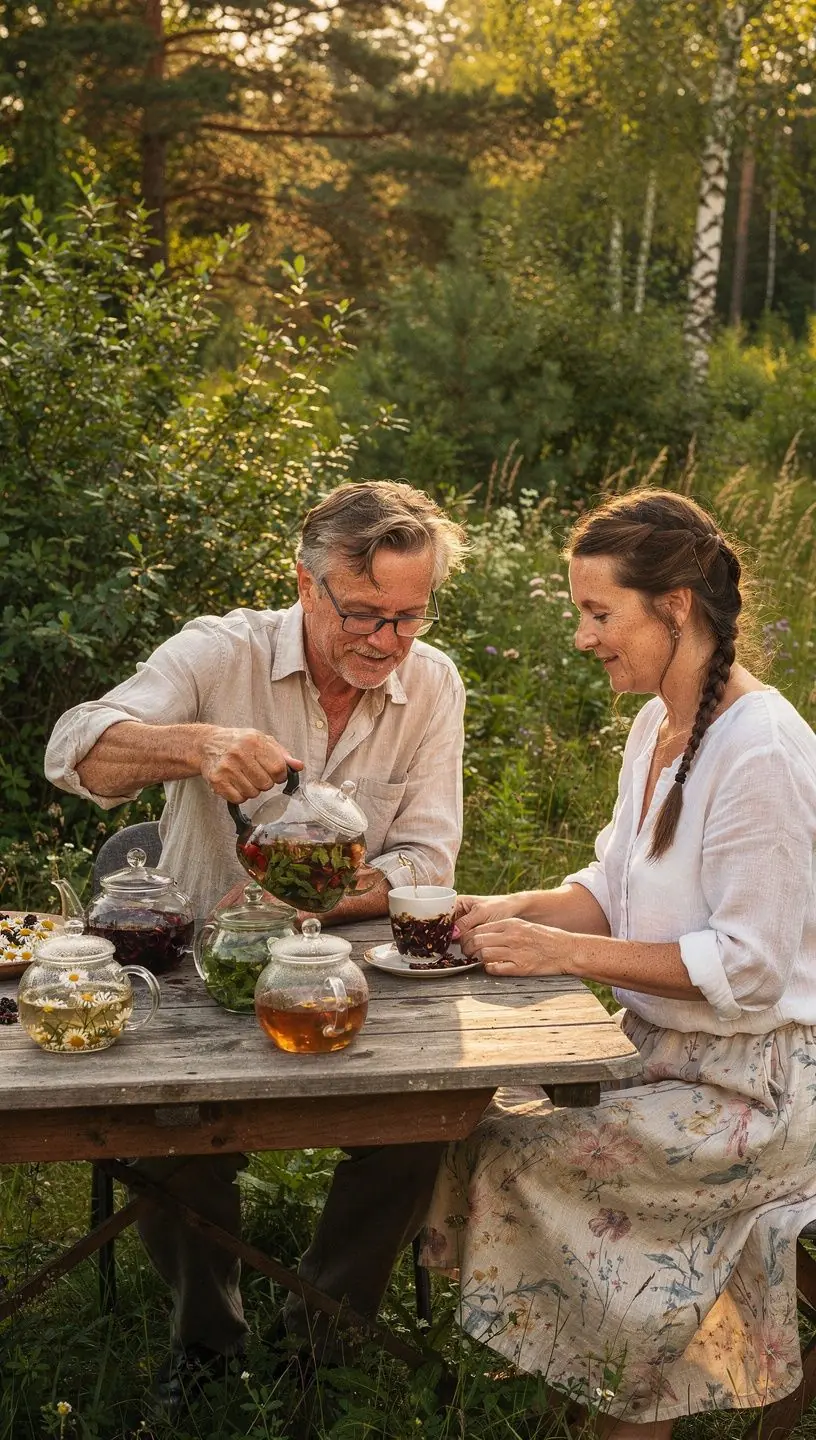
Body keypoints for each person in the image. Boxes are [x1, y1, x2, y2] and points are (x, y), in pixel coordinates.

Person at [45, 480, 468, 1397]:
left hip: (355, 970)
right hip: (204, 968)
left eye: (409, 617)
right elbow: (73, 750)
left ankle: (322, 1336)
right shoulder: (219, 650)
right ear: (307, 586)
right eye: (364, 613)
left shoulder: (430, 682)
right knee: (165, 1131)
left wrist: (324, 897)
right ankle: (208, 1341)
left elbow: (428, 853)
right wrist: (195, 744)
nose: (387, 643)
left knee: (422, 1121)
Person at [421, 489, 816, 1439]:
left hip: (757, 1089)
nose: (583, 637)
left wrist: (563, 953)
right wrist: (505, 910)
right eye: (580, 614)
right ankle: (607, 1386)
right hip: (659, 1057)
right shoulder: (658, 726)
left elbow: (750, 968)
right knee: (476, 1115)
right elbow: (611, 885)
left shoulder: (763, 750)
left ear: (675, 605)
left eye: (599, 613)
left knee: (514, 1145)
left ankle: (621, 1396)